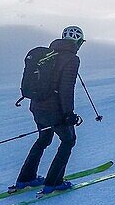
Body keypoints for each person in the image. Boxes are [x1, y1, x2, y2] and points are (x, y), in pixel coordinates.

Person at [13, 25, 85, 194]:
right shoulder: (72, 59)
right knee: (68, 140)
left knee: (44, 139)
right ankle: (54, 183)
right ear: (79, 42)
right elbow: (66, 89)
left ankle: (26, 178)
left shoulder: (48, 55)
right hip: (56, 111)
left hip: (37, 106)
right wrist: (68, 114)